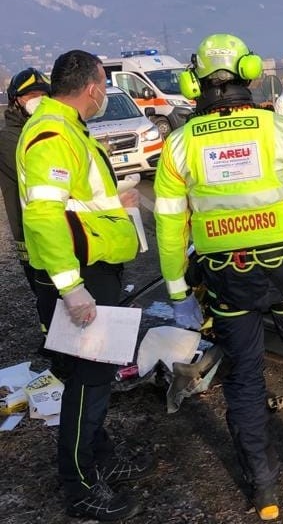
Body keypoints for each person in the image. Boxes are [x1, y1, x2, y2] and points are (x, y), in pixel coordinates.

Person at [154, 33, 283, 521]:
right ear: (249, 71)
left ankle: (264, 493)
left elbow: (168, 227)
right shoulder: (281, 132)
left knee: (244, 377)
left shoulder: (178, 145)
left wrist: (179, 292)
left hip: (226, 280)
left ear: (192, 81)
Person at [17, 50, 154, 521]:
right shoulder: (53, 135)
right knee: (87, 380)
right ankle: (77, 485)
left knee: (92, 375)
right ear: (94, 88)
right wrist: (72, 288)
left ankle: (98, 459)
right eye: (103, 88)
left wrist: (115, 200)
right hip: (80, 275)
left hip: (90, 268)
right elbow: (43, 216)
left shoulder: (65, 130)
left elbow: (73, 202)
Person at [0, 68, 52, 324]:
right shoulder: (9, 138)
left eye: (43, 94)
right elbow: (37, 174)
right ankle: (54, 346)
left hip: (51, 225)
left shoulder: (40, 129)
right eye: (31, 94)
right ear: (16, 100)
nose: (38, 99)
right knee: (45, 290)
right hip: (28, 231)